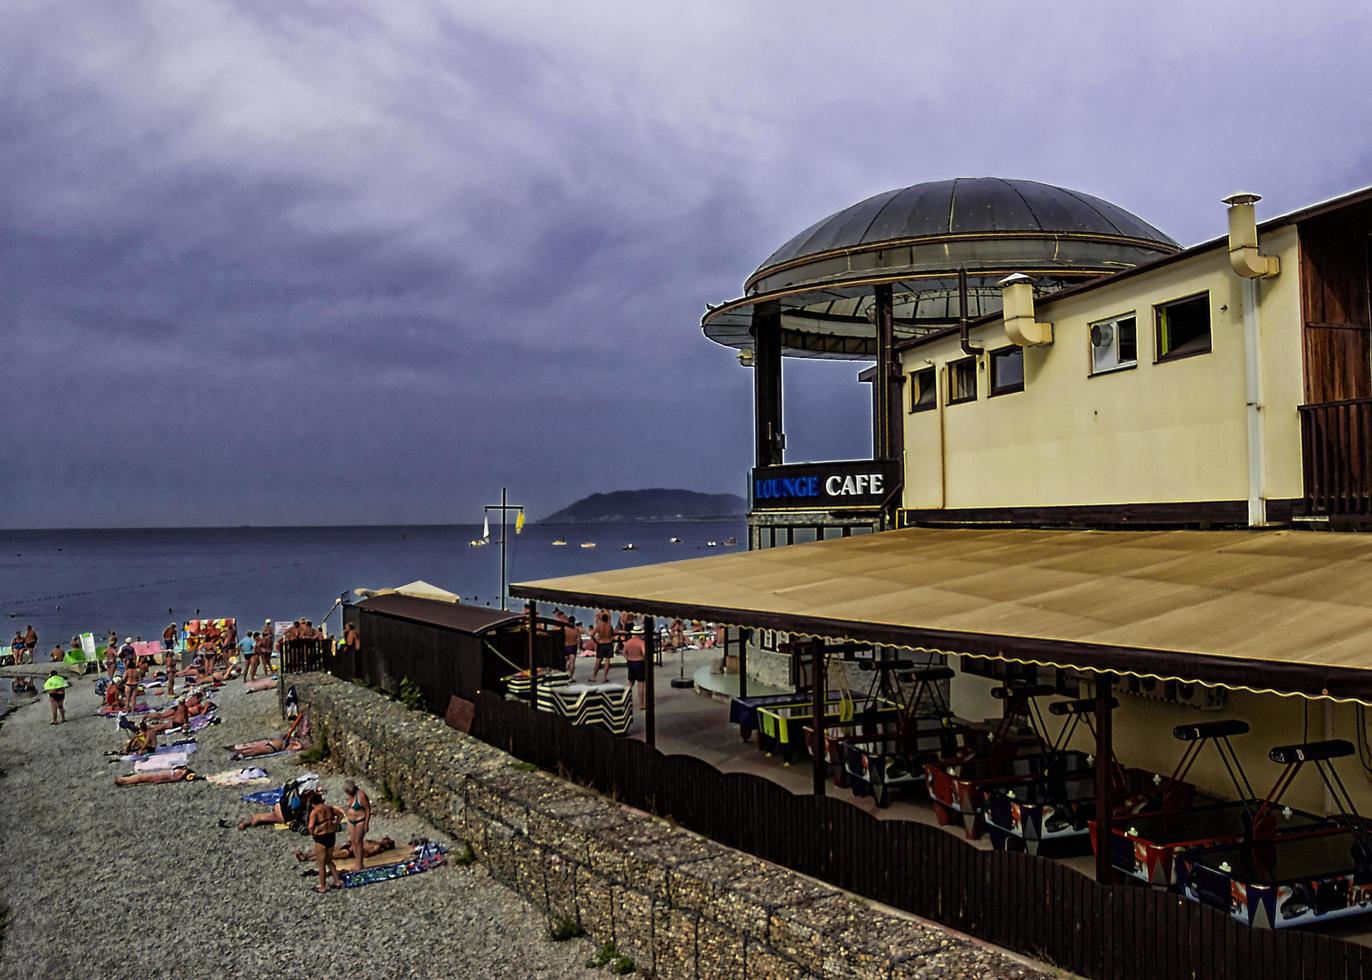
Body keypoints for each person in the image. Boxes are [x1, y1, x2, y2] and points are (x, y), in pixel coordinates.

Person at [306, 791, 346, 893]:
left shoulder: (314, 812)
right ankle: (337, 881)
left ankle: (322, 886)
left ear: (312, 803)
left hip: (321, 837)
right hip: (331, 835)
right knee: (329, 859)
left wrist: (312, 833)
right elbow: (341, 815)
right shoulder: (329, 808)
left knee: (321, 864)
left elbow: (310, 826)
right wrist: (336, 824)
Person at [293, 835, 396, 864]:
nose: (382, 838)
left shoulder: (377, 847)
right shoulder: (373, 841)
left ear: (386, 844)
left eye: (385, 840)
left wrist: (356, 846)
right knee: (327, 848)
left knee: (329, 855)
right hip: (348, 846)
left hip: (349, 852)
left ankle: (307, 858)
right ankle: (306, 854)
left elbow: (366, 855)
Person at [342, 780, 372, 872]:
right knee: (353, 842)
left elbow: (368, 810)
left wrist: (366, 823)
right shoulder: (349, 795)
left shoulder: (361, 795)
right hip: (351, 821)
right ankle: (357, 862)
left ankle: (360, 864)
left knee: (358, 842)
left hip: (360, 821)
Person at [623, 626, 647, 709]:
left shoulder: (628, 642)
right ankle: (641, 704)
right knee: (641, 684)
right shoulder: (641, 642)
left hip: (630, 662)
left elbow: (624, 653)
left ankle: (624, 699)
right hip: (639, 663)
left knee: (630, 682)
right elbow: (644, 653)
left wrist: (629, 658)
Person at [591, 613, 615, 683]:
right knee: (607, 661)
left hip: (601, 644)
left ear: (601, 619)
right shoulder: (610, 626)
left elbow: (591, 634)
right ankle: (604, 677)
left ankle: (593, 677)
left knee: (598, 661)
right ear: (607, 619)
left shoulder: (599, 626)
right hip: (608, 643)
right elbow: (612, 635)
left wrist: (596, 641)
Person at [562, 614, 580, 679]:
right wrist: (578, 647)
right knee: (572, 663)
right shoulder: (576, 629)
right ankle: (570, 677)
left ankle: (564, 673)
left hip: (565, 646)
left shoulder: (565, 629)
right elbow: (578, 639)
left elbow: (561, 638)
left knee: (566, 661)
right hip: (573, 646)